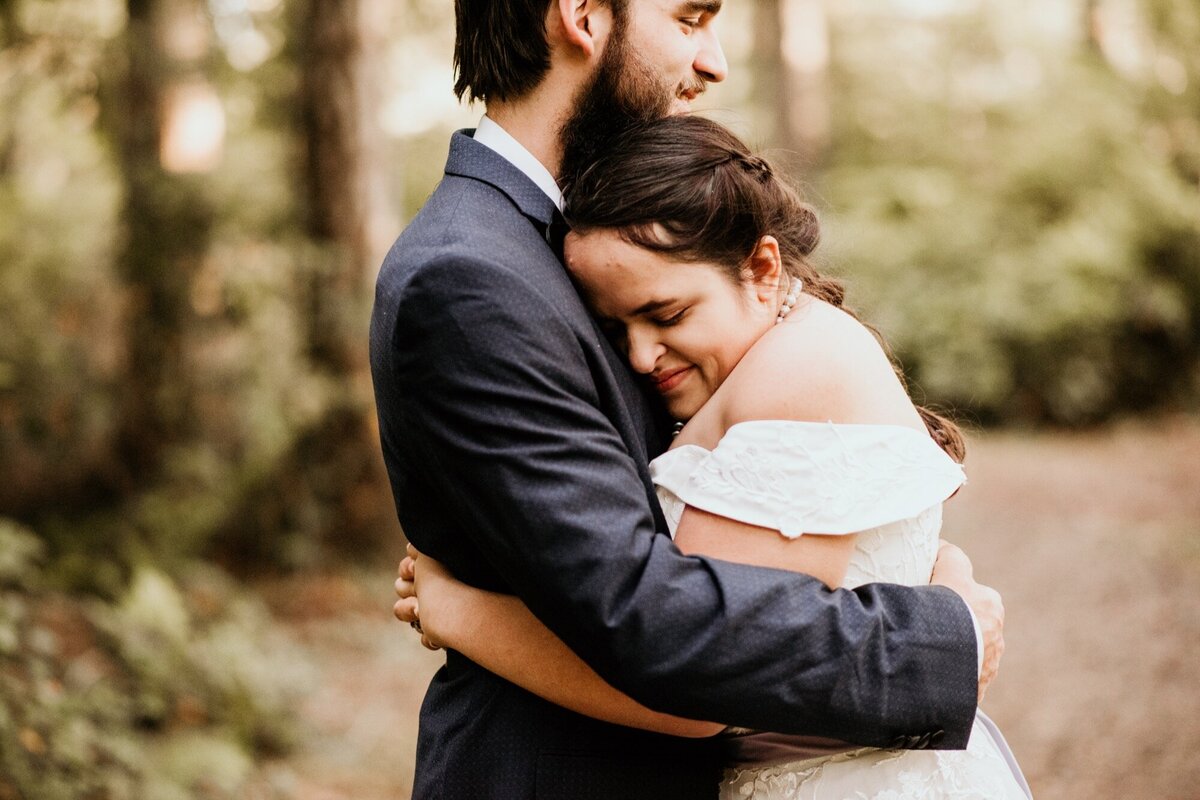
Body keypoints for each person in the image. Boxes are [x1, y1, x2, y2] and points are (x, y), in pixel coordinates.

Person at [371, 1, 1005, 797]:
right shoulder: (474, 276)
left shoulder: (611, 240)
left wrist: (924, 569)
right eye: (690, 17)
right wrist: (933, 636)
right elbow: (649, 614)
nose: (716, 63)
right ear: (582, 15)